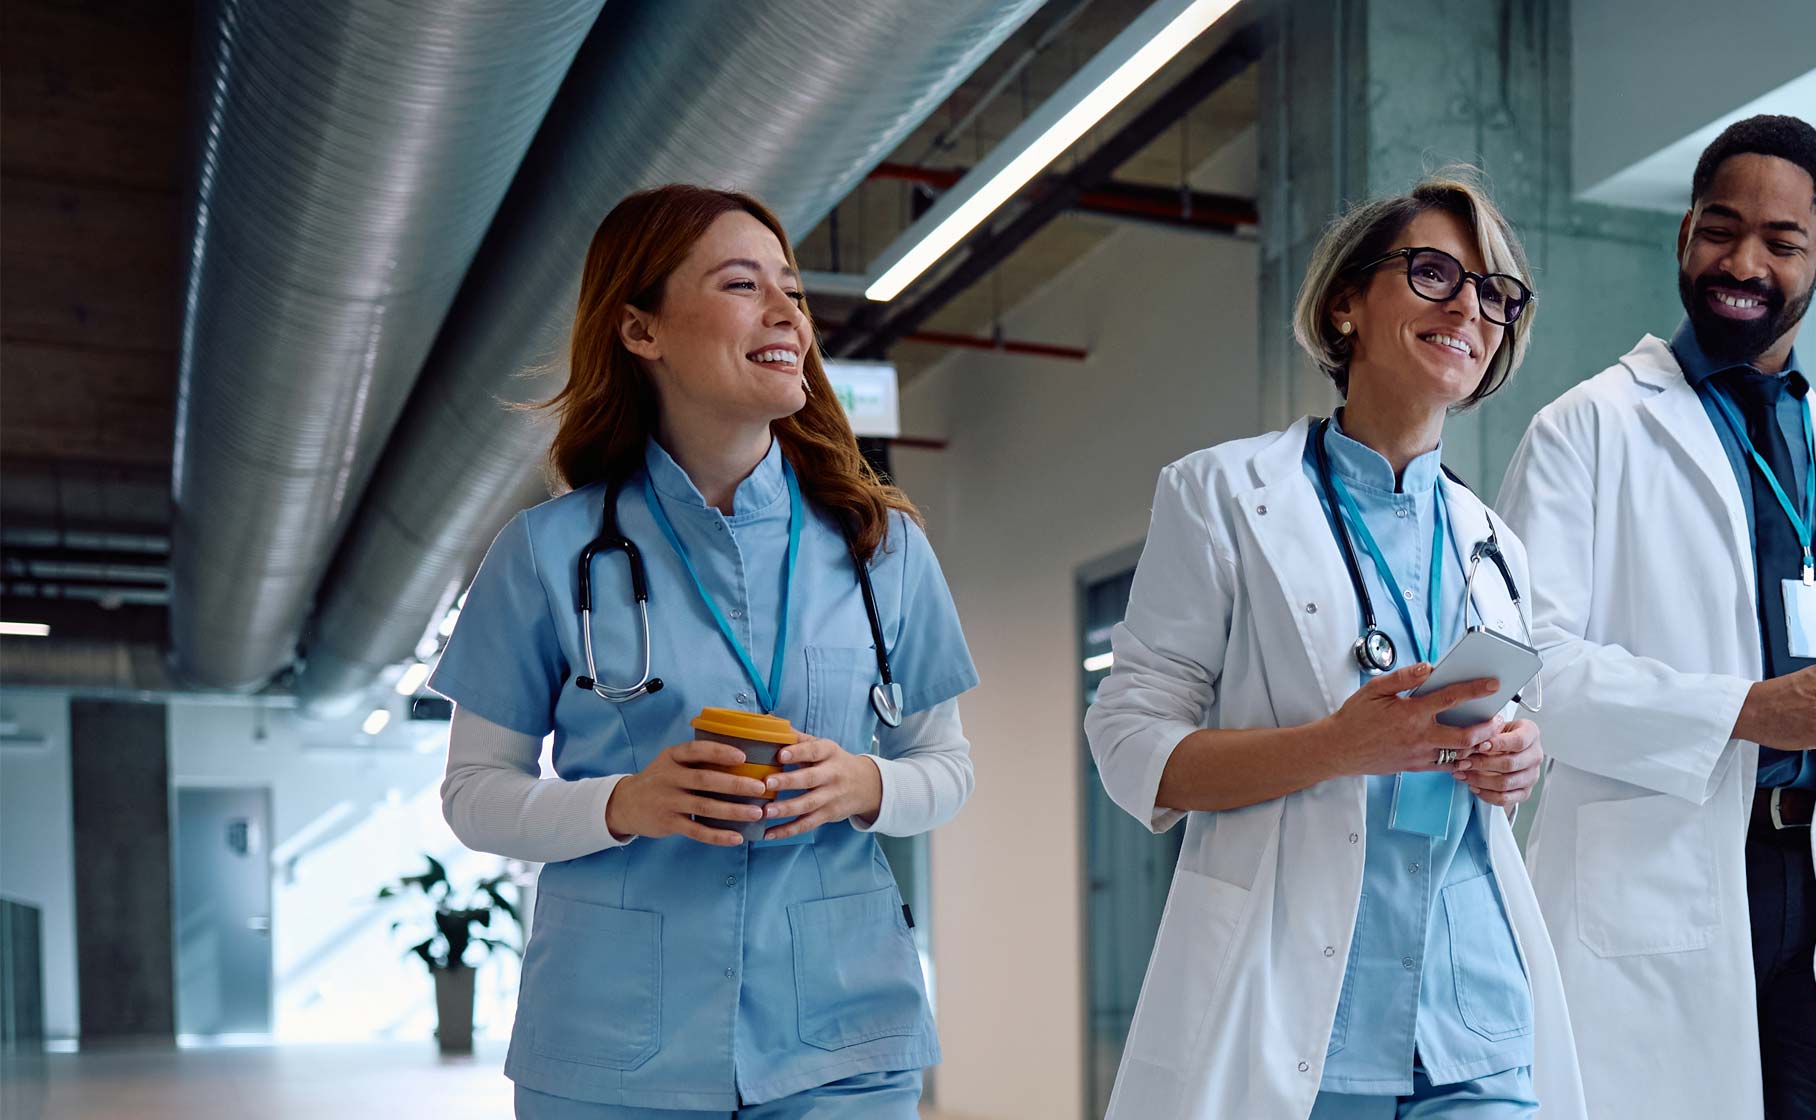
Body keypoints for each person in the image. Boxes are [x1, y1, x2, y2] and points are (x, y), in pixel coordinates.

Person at [430, 184, 979, 1119]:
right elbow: (474, 794)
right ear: (640, 330)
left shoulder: (880, 547)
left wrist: (866, 785)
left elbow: (949, 765)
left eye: (794, 292)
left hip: (843, 1043)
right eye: (741, 284)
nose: (786, 315)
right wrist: (624, 803)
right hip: (613, 1051)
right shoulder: (546, 554)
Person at [1084, 170, 1585, 1120]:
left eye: (1495, 293)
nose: (1470, 309)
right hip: (1305, 1026)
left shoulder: (1492, 542)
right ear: (1347, 302)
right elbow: (1128, 745)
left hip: (1475, 1019)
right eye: (1435, 273)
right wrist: (1335, 748)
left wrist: (1516, 757)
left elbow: (1493, 733)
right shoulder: (1223, 496)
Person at [1495, 116, 1816, 1118]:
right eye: (1718, 227)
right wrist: (1747, 709)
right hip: (1660, 877)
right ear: (1682, 236)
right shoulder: (1586, 428)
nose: (1741, 261)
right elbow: (1528, 676)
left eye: (1780, 243)